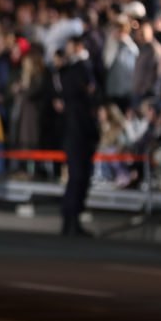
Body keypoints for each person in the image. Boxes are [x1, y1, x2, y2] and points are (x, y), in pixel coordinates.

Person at [53, 33, 101, 237]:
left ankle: (71, 219)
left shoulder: (80, 68)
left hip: (79, 129)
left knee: (79, 176)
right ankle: (70, 219)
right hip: (78, 130)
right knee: (78, 176)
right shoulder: (74, 70)